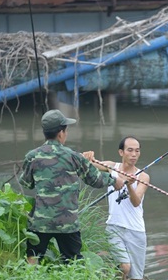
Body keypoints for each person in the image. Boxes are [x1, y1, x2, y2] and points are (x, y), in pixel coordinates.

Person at [20, 109, 124, 264]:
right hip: (67, 222)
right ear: (61, 133)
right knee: (73, 262)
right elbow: (95, 180)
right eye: (66, 130)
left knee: (33, 257)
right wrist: (114, 180)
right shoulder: (73, 156)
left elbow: (26, 183)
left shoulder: (32, 156)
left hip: (40, 221)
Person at [89, 136, 149, 280]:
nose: (134, 154)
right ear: (121, 152)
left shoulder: (143, 177)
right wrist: (87, 157)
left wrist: (130, 185)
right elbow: (88, 164)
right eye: (130, 150)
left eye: (137, 151)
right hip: (114, 226)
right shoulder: (111, 167)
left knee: (137, 279)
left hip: (136, 231)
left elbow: (136, 202)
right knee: (125, 267)